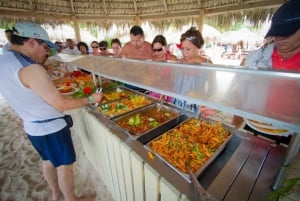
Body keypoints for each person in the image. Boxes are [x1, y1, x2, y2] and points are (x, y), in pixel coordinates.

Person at [0, 21, 103, 201]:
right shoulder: (32, 69)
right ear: (32, 41)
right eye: (45, 47)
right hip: (51, 128)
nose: (46, 52)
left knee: (47, 161)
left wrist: (58, 82)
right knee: (65, 166)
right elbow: (61, 104)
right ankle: (71, 199)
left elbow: (31, 88)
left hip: (31, 127)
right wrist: (91, 99)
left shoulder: (4, 60)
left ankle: (55, 194)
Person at [232, 0, 300, 129]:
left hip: (294, 134)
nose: (280, 37)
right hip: (256, 124)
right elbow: (240, 94)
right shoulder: (255, 59)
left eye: (287, 32)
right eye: (277, 32)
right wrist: (235, 126)